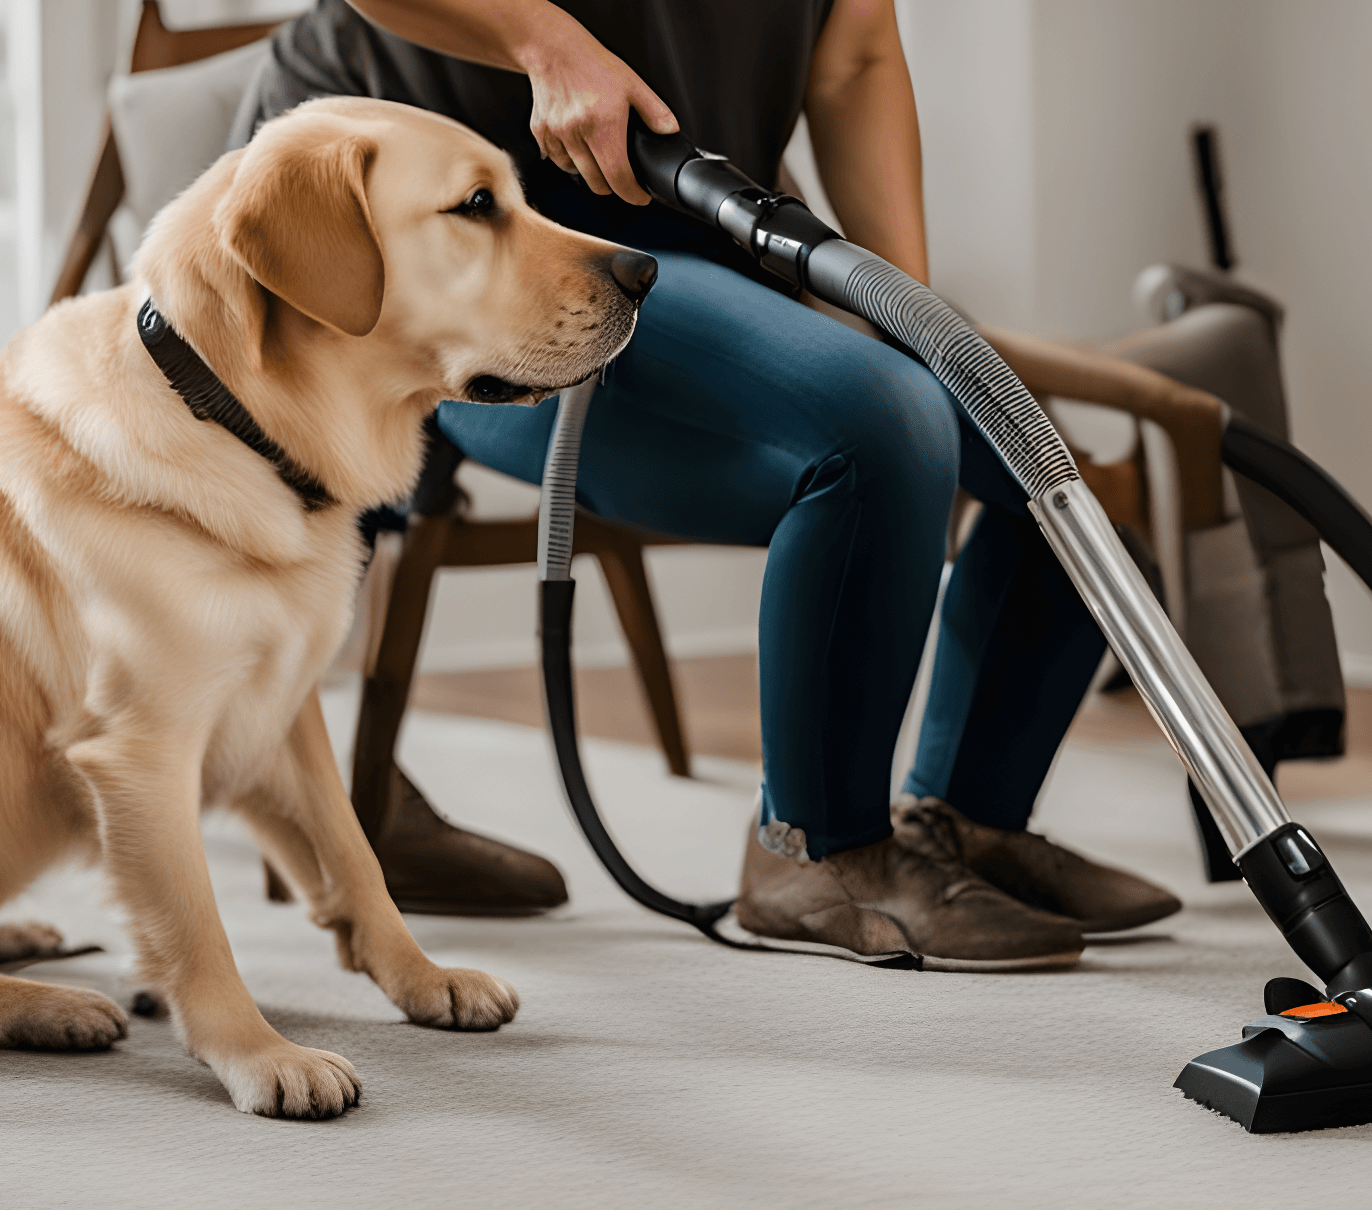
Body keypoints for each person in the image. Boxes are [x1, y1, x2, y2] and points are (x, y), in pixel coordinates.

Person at [234, 0, 1180, 969]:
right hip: (446, 254)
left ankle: (968, 823)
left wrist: (912, 316)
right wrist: (543, 42)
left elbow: (851, 57)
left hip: (694, 226)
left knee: (1057, 494)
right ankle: (817, 851)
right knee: (883, 426)